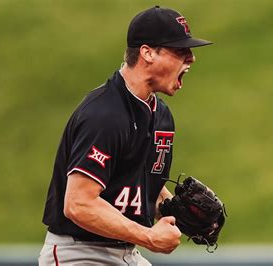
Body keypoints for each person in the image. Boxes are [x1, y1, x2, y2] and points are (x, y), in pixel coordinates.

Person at [39, 5, 212, 265]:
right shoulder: (104, 114)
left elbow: (133, 179)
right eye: (180, 50)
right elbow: (78, 204)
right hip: (80, 254)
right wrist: (149, 237)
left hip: (125, 253)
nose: (191, 58)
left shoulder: (161, 116)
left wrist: (170, 206)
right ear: (147, 53)